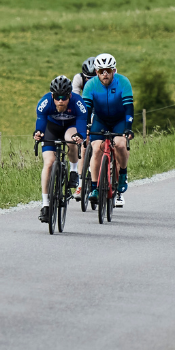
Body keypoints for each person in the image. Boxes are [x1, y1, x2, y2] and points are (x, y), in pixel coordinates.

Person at [77, 52, 134, 208]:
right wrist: (85, 128)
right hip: (100, 120)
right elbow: (86, 109)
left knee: (120, 145)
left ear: (114, 71)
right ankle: (94, 187)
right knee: (96, 148)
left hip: (119, 120)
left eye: (108, 71)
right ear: (96, 72)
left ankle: (123, 173)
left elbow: (129, 108)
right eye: (101, 71)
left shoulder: (123, 82)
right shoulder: (90, 85)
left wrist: (128, 128)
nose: (105, 74)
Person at [33, 76, 86, 226]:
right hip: (52, 128)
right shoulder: (45, 102)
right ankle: (45, 205)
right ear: (52, 96)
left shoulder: (78, 102)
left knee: (71, 140)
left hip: (71, 127)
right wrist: (38, 133)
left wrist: (80, 135)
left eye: (64, 97)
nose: (60, 101)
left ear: (70, 95)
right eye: (57, 97)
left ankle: (74, 171)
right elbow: (41, 121)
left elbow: (82, 122)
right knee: (49, 163)